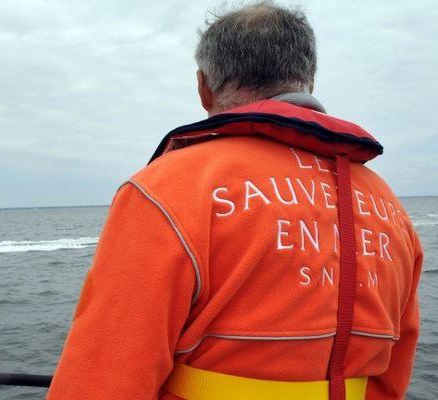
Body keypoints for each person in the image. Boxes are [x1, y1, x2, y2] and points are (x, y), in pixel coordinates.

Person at [47, 2, 423, 399]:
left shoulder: (167, 189)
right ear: (309, 79)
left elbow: (103, 378)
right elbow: (394, 373)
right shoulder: (389, 206)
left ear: (204, 87)